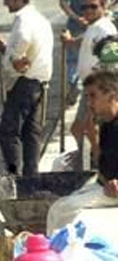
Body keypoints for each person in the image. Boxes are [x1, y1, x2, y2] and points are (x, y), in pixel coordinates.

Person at [47, 69, 118, 234]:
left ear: (112, 96)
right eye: (87, 96)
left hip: (112, 191)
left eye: (93, 96)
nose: (89, 102)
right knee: (58, 205)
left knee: (63, 209)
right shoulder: (106, 123)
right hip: (104, 185)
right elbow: (102, 163)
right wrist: (93, 139)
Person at [0, 0, 54, 177]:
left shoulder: (24, 19)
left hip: (24, 83)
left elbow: (24, 39)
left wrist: (14, 59)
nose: (4, 3)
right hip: (39, 83)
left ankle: (14, 176)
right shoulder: (41, 20)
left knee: (9, 131)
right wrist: (5, 49)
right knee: (31, 133)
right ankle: (31, 178)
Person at [62, 0, 116, 165]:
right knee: (83, 129)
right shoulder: (95, 26)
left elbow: (112, 59)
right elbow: (87, 39)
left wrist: (101, 90)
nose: (88, 10)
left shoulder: (104, 28)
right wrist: (70, 41)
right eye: (84, 7)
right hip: (91, 88)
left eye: (93, 6)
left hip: (98, 91)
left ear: (103, 6)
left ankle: (93, 163)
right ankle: (91, 162)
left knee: (87, 129)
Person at [60, 0, 88, 106]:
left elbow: (63, 3)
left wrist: (76, 18)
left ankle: (75, 85)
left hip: (75, 24)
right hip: (93, 21)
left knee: (73, 61)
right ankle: (81, 86)